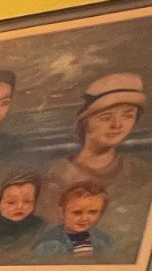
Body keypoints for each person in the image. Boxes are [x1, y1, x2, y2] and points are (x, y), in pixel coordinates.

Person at [45, 72, 151, 249]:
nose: (117, 125)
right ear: (85, 122)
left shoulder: (141, 170)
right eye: (105, 117)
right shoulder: (58, 174)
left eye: (128, 115)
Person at [33, 183, 112, 261]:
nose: (84, 218)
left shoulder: (103, 239)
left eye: (92, 212)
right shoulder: (50, 244)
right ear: (61, 213)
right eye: (77, 212)